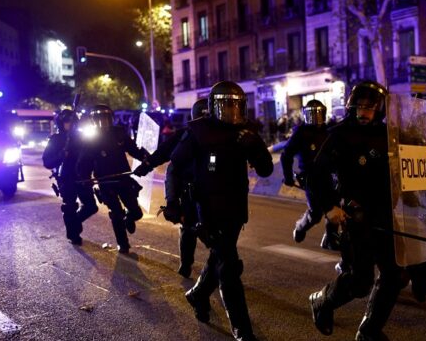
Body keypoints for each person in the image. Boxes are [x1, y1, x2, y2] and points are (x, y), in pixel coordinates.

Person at [171, 81, 273, 341]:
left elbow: (265, 170)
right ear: (214, 107)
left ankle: (197, 294)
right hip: (206, 211)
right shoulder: (199, 131)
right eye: (225, 105)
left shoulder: (245, 131)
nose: (231, 111)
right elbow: (175, 165)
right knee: (229, 266)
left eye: (235, 105)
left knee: (220, 258)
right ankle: (242, 329)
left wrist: (255, 147)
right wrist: (173, 202)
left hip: (235, 210)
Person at [308, 80, 403, 341]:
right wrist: (329, 207)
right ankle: (323, 301)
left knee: (394, 275)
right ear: (352, 106)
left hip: (386, 214)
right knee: (361, 281)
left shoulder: (389, 134)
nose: (365, 112)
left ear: (379, 109)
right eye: (360, 106)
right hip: (356, 216)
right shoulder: (339, 134)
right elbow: (316, 175)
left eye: (370, 107)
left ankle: (369, 330)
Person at [132, 98, 208, 278]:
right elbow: (163, 153)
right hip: (189, 191)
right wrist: (146, 165)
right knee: (189, 227)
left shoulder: (220, 137)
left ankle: (217, 267)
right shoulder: (184, 136)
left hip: (212, 192)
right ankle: (186, 264)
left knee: (210, 233)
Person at [76, 104, 148, 254]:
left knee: (136, 212)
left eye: (106, 118)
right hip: (105, 181)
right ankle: (123, 244)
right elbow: (84, 162)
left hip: (123, 178)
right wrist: (84, 178)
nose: (103, 121)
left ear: (111, 118)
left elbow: (133, 149)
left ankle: (129, 218)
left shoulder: (119, 133)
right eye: (99, 118)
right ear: (93, 121)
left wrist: (146, 158)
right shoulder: (90, 139)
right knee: (116, 213)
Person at [281, 100, 339, 250]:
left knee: (335, 207)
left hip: (328, 176)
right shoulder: (301, 133)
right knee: (316, 213)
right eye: (311, 114)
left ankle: (331, 238)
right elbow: (286, 155)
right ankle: (300, 227)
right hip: (310, 179)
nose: (315, 117)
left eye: (318, 113)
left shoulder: (329, 132)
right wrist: (288, 177)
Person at [42, 109, 99, 245]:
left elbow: (93, 156)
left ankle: (74, 223)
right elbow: (47, 162)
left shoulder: (83, 138)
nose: (70, 124)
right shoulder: (56, 140)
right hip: (67, 178)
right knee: (69, 207)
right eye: (67, 121)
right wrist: (62, 155)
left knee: (91, 206)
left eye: (73, 121)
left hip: (83, 177)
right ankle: (73, 234)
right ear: (61, 123)